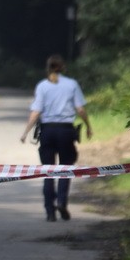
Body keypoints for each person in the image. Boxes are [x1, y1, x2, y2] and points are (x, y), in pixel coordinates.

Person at [19, 54, 92, 222]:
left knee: (48, 171)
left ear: (48, 68)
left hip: (48, 131)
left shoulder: (42, 86)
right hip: (66, 131)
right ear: (63, 67)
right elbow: (80, 110)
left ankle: (50, 211)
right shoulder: (72, 84)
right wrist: (88, 126)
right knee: (65, 169)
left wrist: (25, 132)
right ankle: (61, 202)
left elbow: (36, 111)